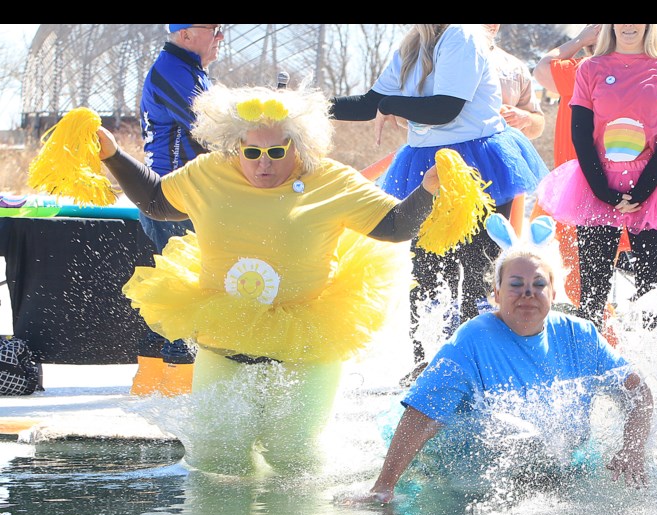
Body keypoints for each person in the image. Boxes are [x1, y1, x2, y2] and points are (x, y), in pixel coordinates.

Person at [94, 84, 442, 476]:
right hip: (225, 339)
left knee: (293, 457)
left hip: (305, 340)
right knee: (217, 460)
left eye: (276, 152)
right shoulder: (210, 173)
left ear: (298, 146)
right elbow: (157, 200)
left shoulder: (331, 180)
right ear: (234, 146)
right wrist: (113, 155)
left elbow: (394, 225)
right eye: (252, 152)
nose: (264, 163)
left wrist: (428, 190)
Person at [362, 214, 654, 503]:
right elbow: (423, 413)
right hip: (468, 474)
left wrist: (632, 448)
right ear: (496, 293)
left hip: (554, 466)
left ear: (553, 292)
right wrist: (384, 486)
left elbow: (638, 391)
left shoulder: (579, 335)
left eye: (538, 284)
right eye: (515, 284)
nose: (528, 293)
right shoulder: (473, 339)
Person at [329, 24, 548, 387]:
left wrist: (389, 105)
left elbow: (445, 108)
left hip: (478, 164)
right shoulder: (414, 43)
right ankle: (429, 363)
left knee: (478, 267)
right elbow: (369, 104)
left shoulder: (462, 34)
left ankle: (479, 366)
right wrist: (306, 105)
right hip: (427, 163)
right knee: (428, 270)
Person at [534, 24, 657, 339]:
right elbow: (580, 133)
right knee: (593, 288)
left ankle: (653, 367)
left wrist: (644, 189)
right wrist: (600, 189)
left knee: (653, 286)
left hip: (651, 188)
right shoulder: (590, 69)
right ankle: (590, 361)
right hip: (596, 183)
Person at [132, 23, 225, 397]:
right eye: (215, 29)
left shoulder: (193, 72)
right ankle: (175, 386)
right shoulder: (173, 70)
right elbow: (211, 131)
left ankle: (155, 381)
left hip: (186, 198)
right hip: (171, 198)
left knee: (179, 287)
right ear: (186, 35)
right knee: (185, 290)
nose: (221, 37)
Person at [532, 24, 599, 324]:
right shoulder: (628, 73)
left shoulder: (583, 70)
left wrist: (578, 40)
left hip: (578, 191)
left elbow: (542, 68)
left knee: (583, 284)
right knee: (594, 281)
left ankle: (608, 344)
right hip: (611, 184)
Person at [483, 24, 546, 141]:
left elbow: (538, 123)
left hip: (501, 152)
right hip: (451, 153)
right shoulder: (443, 59)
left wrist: (525, 118)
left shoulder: (515, 67)